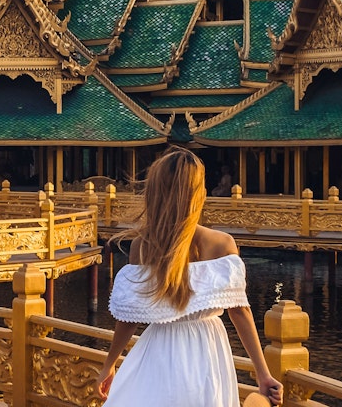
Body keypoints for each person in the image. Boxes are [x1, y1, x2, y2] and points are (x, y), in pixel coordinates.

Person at [99, 149, 283, 407]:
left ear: (155, 193)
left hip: (158, 347)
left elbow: (129, 319)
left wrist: (109, 365)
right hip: (207, 350)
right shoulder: (222, 243)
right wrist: (263, 374)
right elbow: (239, 313)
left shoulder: (142, 245)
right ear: (200, 194)